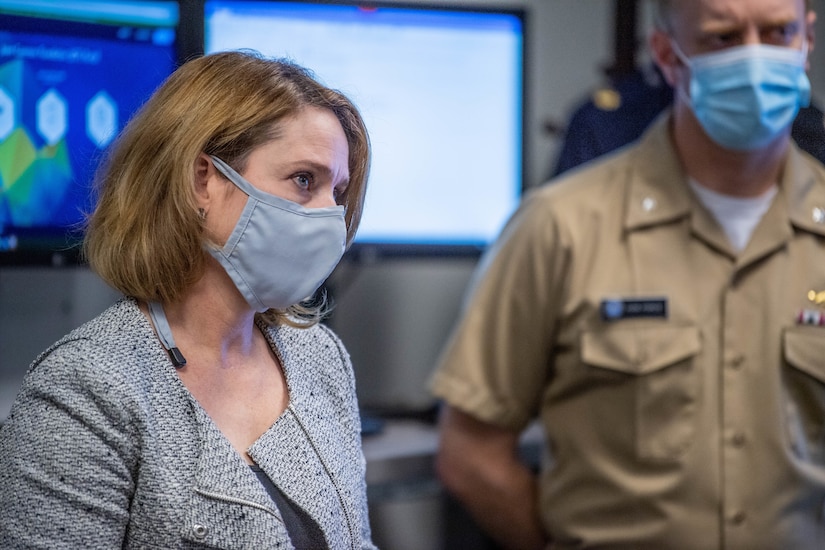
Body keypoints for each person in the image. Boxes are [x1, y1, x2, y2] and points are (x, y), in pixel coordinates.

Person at [430, 0, 825, 548]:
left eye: (778, 32)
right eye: (723, 37)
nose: (755, 57)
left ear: (807, 38)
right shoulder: (558, 226)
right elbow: (471, 453)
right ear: (667, 54)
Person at [0, 50, 376, 549]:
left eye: (339, 190)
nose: (330, 216)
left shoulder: (321, 358)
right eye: (304, 180)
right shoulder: (84, 390)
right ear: (203, 180)